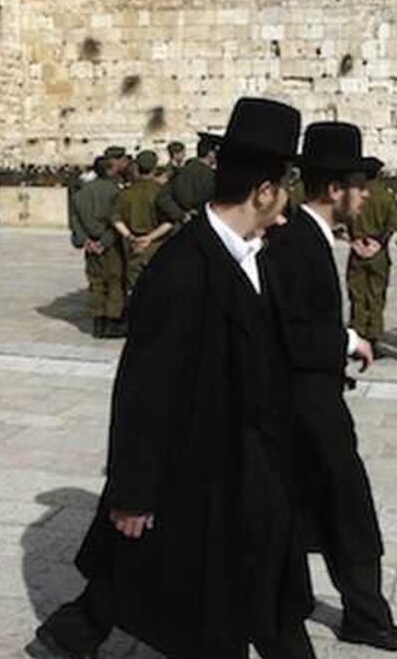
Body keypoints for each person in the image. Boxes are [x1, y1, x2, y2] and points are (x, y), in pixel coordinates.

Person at [30, 98, 315, 659]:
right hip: (201, 470)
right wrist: (132, 493)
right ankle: (73, 633)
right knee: (201, 605)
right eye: (283, 187)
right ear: (263, 191)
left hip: (249, 465)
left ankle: (73, 633)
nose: (286, 202)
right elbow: (143, 389)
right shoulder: (182, 268)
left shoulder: (254, 254)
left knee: (259, 589)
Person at [266, 122, 397, 653]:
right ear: (335, 189)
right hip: (309, 409)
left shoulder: (306, 238)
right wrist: (345, 344)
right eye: (360, 184)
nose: (367, 194)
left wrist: (345, 338)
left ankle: (352, 610)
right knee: (347, 510)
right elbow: (291, 335)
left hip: (309, 406)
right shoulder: (298, 244)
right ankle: (364, 617)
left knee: (317, 513)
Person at [69, 151, 126, 339]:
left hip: (90, 247)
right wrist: (104, 242)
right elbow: (116, 220)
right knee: (114, 282)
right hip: (110, 247)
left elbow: (75, 220)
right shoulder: (116, 192)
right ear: (109, 171)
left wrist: (86, 241)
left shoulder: (81, 193)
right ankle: (112, 323)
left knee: (96, 283)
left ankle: (98, 324)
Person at [346, 161, 397, 354]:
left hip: (358, 251)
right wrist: (379, 243)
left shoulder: (354, 195)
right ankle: (373, 340)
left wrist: (355, 241)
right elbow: (393, 222)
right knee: (376, 297)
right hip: (378, 253)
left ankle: (358, 337)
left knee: (357, 297)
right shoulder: (386, 196)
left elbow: (346, 219)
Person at [112, 150, 176, 292]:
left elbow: (116, 219)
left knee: (135, 292)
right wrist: (149, 238)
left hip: (135, 248)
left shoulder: (126, 193)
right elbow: (170, 221)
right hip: (158, 247)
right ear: (154, 168)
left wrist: (131, 237)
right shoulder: (162, 192)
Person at [155, 135, 219, 225]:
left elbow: (163, 198)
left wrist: (182, 215)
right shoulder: (211, 176)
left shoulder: (182, 171)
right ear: (210, 154)